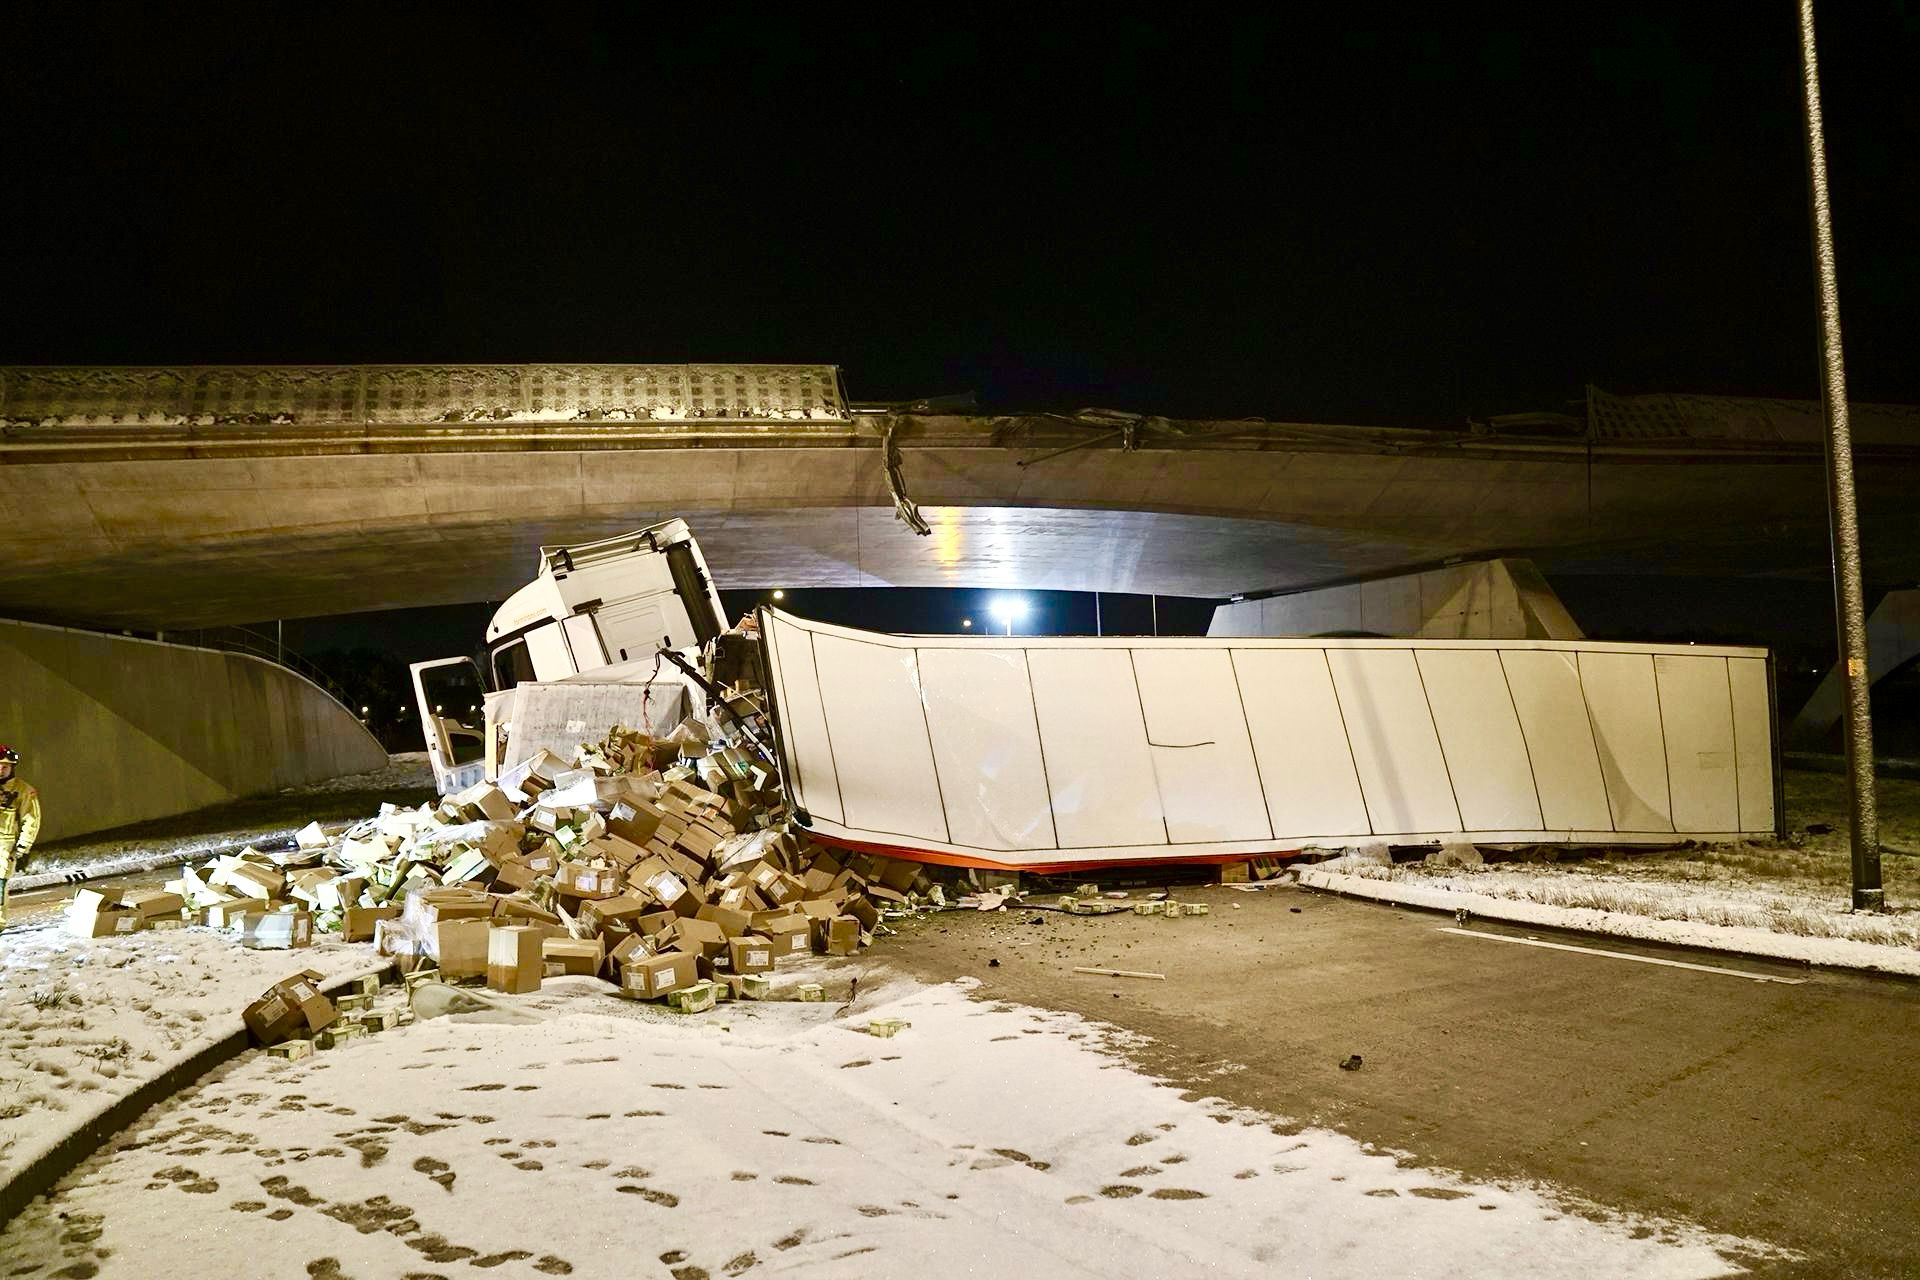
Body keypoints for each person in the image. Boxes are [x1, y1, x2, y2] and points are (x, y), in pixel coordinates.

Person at [0, 745, 39, 932]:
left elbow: (31, 819)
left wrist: (23, 848)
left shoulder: (24, 791)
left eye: (5, 766)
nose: (1, 769)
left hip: (5, 846)